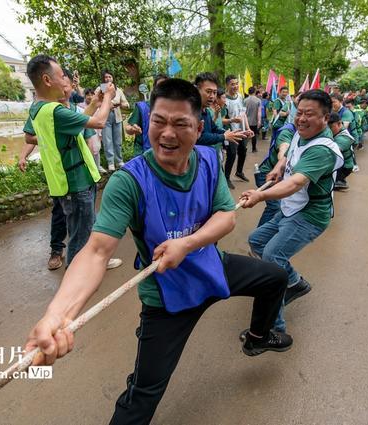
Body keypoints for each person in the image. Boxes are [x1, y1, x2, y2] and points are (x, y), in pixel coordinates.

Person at [24, 78, 292, 424]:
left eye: (180, 124)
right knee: (145, 392)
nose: (167, 134)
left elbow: (226, 217)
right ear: (148, 122)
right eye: (159, 122)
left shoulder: (209, 160)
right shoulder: (129, 181)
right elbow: (95, 252)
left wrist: (188, 243)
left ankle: (257, 337)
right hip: (167, 296)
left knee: (275, 277)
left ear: (198, 129)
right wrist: (57, 316)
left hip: (211, 267)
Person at [242, 89, 343, 334]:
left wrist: (261, 195)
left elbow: (295, 183)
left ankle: (273, 330)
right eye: (300, 113)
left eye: (310, 114)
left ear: (325, 117)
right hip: (291, 209)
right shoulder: (302, 133)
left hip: (308, 216)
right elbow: (289, 153)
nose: (302, 119)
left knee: (271, 257)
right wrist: (279, 165)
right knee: (256, 241)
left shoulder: (322, 149)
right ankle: (295, 283)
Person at [25, 55, 122, 268]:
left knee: (88, 226)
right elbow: (99, 122)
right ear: (47, 80)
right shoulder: (54, 111)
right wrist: (107, 98)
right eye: (61, 76)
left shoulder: (40, 109)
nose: (66, 81)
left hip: (77, 179)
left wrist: (95, 101)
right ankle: (76, 279)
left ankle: (95, 263)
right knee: (79, 236)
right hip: (75, 183)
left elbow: (79, 126)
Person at [254, 117, 296, 227]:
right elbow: (283, 149)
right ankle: (260, 235)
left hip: (278, 176)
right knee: (275, 206)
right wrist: (284, 162)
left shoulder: (302, 135)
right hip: (267, 175)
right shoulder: (287, 132)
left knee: (281, 205)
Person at [195, 73, 245, 159]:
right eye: (208, 91)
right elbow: (200, 137)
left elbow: (213, 129)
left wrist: (235, 133)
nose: (212, 96)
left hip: (209, 154)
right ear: (197, 90)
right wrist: (224, 136)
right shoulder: (193, 112)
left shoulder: (205, 111)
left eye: (214, 92)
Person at [125, 74, 168, 157]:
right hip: (143, 154)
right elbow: (128, 128)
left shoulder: (173, 109)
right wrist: (133, 129)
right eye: (160, 86)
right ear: (155, 88)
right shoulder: (142, 107)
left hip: (165, 155)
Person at [223, 75, 252, 188]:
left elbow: (243, 113)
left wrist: (248, 128)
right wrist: (233, 120)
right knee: (232, 154)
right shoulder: (224, 99)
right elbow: (222, 120)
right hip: (231, 132)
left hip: (242, 130)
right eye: (232, 84)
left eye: (236, 83)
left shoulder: (240, 96)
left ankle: (239, 172)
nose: (235, 86)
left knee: (243, 151)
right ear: (227, 85)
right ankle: (226, 177)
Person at [100, 70, 129, 171]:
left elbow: (126, 103)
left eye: (110, 77)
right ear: (103, 79)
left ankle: (119, 161)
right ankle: (110, 163)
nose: (108, 79)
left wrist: (120, 104)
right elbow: (95, 102)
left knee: (118, 140)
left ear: (113, 78)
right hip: (105, 117)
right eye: (106, 77)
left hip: (117, 117)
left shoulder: (118, 90)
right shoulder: (100, 89)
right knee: (107, 141)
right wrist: (107, 104)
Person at [328, 112, 355, 191]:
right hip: (341, 164)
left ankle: (339, 182)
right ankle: (339, 181)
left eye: (330, 127)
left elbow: (331, 153)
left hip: (345, 167)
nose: (328, 130)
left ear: (339, 124)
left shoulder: (345, 138)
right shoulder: (337, 132)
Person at [244, 87, 262, 152]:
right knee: (254, 135)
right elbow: (259, 112)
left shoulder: (245, 100)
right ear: (254, 92)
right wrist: (259, 120)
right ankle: (254, 148)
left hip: (246, 121)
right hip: (254, 121)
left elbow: (242, 112)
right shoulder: (258, 100)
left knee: (246, 134)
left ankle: (244, 147)